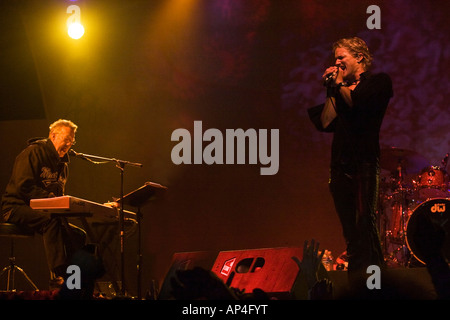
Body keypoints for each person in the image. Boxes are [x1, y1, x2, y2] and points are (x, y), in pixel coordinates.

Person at [307, 37, 393, 286]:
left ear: (359, 58)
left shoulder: (378, 83)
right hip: (339, 167)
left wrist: (340, 85)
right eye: (335, 58)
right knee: (351, 231)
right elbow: (325, 122)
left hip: (364, 164)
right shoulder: (338, 88)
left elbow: (357, 106)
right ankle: (364, 282)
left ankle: (371, 282)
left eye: (341, 57)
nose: (336, 62)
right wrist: (331, 89)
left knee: (365, 223)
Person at [1, 119, 86, 285]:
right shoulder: (32, 153)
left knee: (77, 234)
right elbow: (23, 186)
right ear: (53, 136)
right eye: (66, 140)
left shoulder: (63, 164)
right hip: (16, 207)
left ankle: (75, 279)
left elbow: (58, 195)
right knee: (51, 221)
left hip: (44, 210)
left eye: (72, 141)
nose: (69, 145)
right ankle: (58, 276)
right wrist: (51, 200)